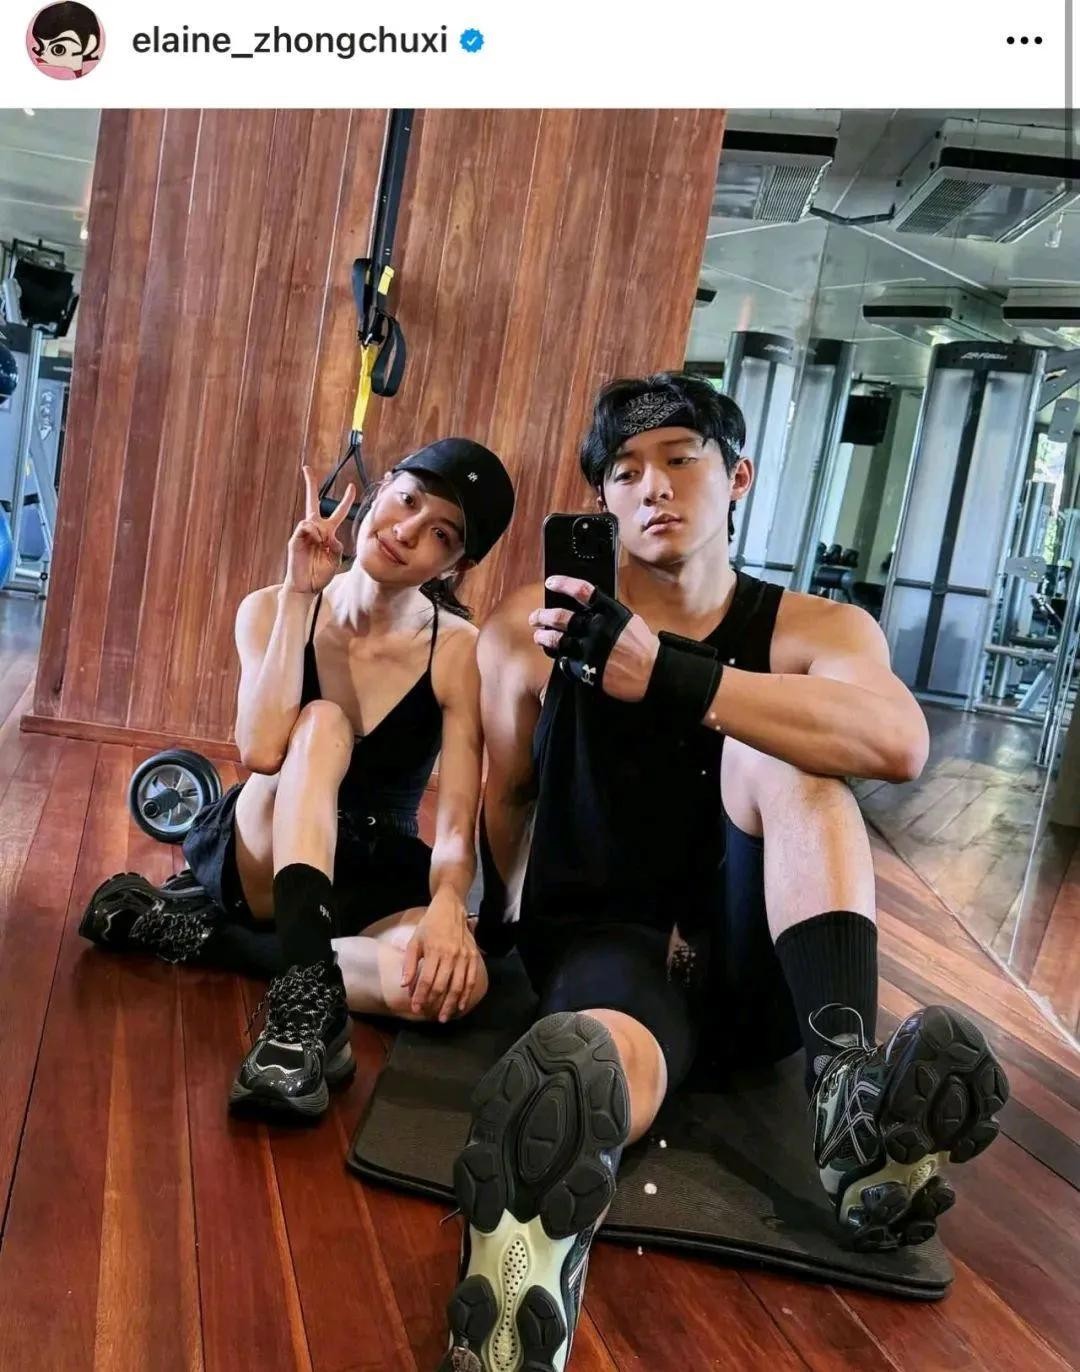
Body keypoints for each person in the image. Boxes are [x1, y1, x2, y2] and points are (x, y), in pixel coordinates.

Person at [438, 374, 1009, 1372]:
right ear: (602, 501)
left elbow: (898, 742)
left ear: (737, 476)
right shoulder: (535, 627)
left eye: (679, 458)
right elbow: (511, 791)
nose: (652, 486)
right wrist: (481, 928)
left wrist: (667, 674)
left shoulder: (820, 630)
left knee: (784, 747)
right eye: (624, 472)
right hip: (608, 938)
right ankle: (530, 1241)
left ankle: (848, 1093)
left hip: (762, 964)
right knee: (596, 1054)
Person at [80, 437, 515, 1121]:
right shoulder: (268, 608)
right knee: (322, 724)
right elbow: (259, 750)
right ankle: (300, 1019)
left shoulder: (457, 651)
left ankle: (217, 942)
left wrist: (447, 903)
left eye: (441, 533)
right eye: (406, 500)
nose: (406, 531)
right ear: (381, 488)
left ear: (456, 564)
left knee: (453, 984)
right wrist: (297, 594)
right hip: (262, 846)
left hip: (366, 864)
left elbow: (459, 820)